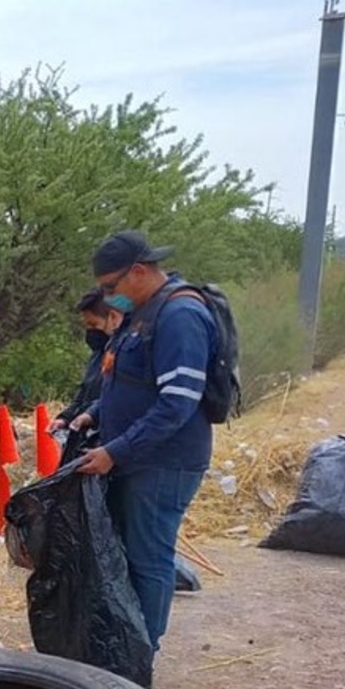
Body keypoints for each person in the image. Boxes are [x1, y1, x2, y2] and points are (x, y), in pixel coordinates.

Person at [71, 229, 216, 653]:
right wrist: (94, 413)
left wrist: (114, 452)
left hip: (164, 464)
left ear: (139, 271)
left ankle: (140, 657)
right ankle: (125, 644)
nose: (108, 296)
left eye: (110, 287)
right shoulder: (143, 313)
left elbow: (176, 404)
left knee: (150, 560)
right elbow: (127, 381)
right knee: (128, 557)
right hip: (137, 459)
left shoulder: (180, 315)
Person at [48, 288, 123, 433]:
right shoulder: (97, 356)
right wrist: (65, 418)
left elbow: (119, 398)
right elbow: (83, 393)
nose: (90, 331)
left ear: (113, 318)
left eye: (94, 325)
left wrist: (90, 415)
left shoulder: (126, 355)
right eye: (87, 326)